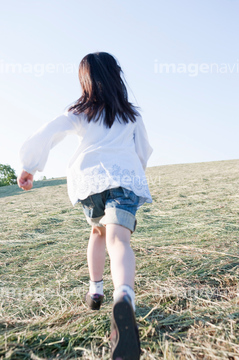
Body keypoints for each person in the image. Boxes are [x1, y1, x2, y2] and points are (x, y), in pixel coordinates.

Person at [17, 52, 153, 360]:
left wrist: (30, 165)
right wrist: (134, 171)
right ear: (117, 77)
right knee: (119, 240)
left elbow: (51, 130)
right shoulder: (132, 115)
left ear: (86, 80)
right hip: (125, 179)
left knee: (97, 234)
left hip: (90, 181)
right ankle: (124, 296)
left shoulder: (81, 112)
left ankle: (96, 290)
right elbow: (142, 150)